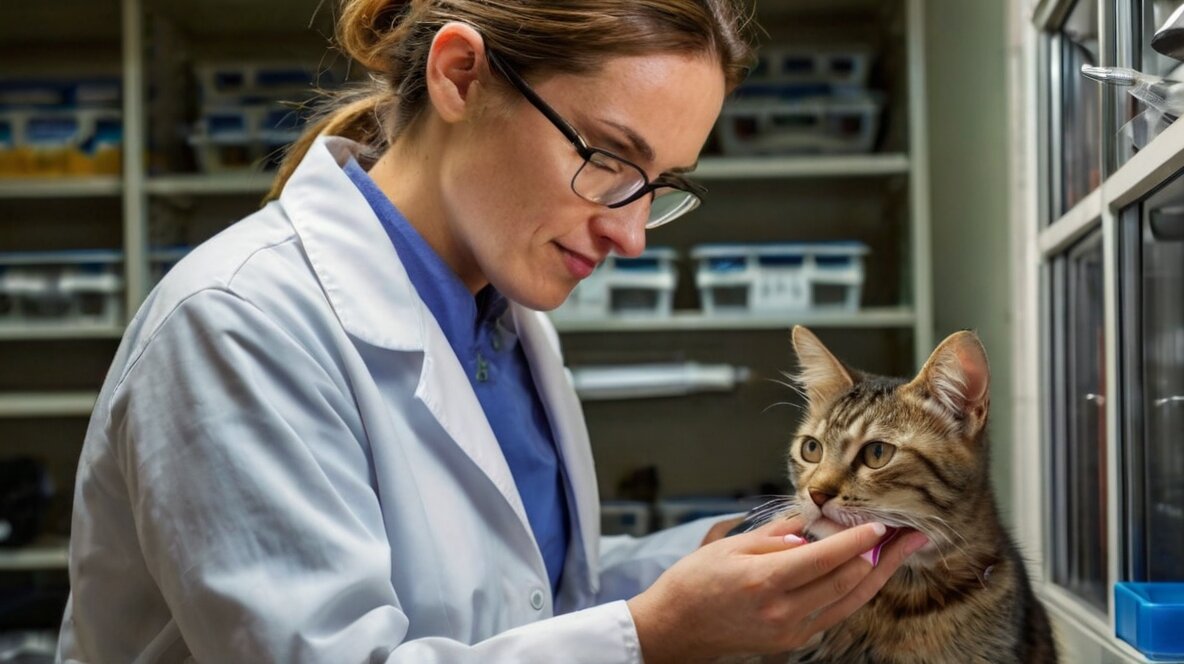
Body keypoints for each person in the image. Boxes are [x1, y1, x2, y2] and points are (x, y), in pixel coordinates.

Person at [57, 0, 929, 661]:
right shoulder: (237, 324)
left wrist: (715, 557)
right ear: (461, 76)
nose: (629, 232)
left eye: (659, 183)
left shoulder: (501, 312)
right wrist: (651, 638)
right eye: (607, 158)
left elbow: (528, 594)